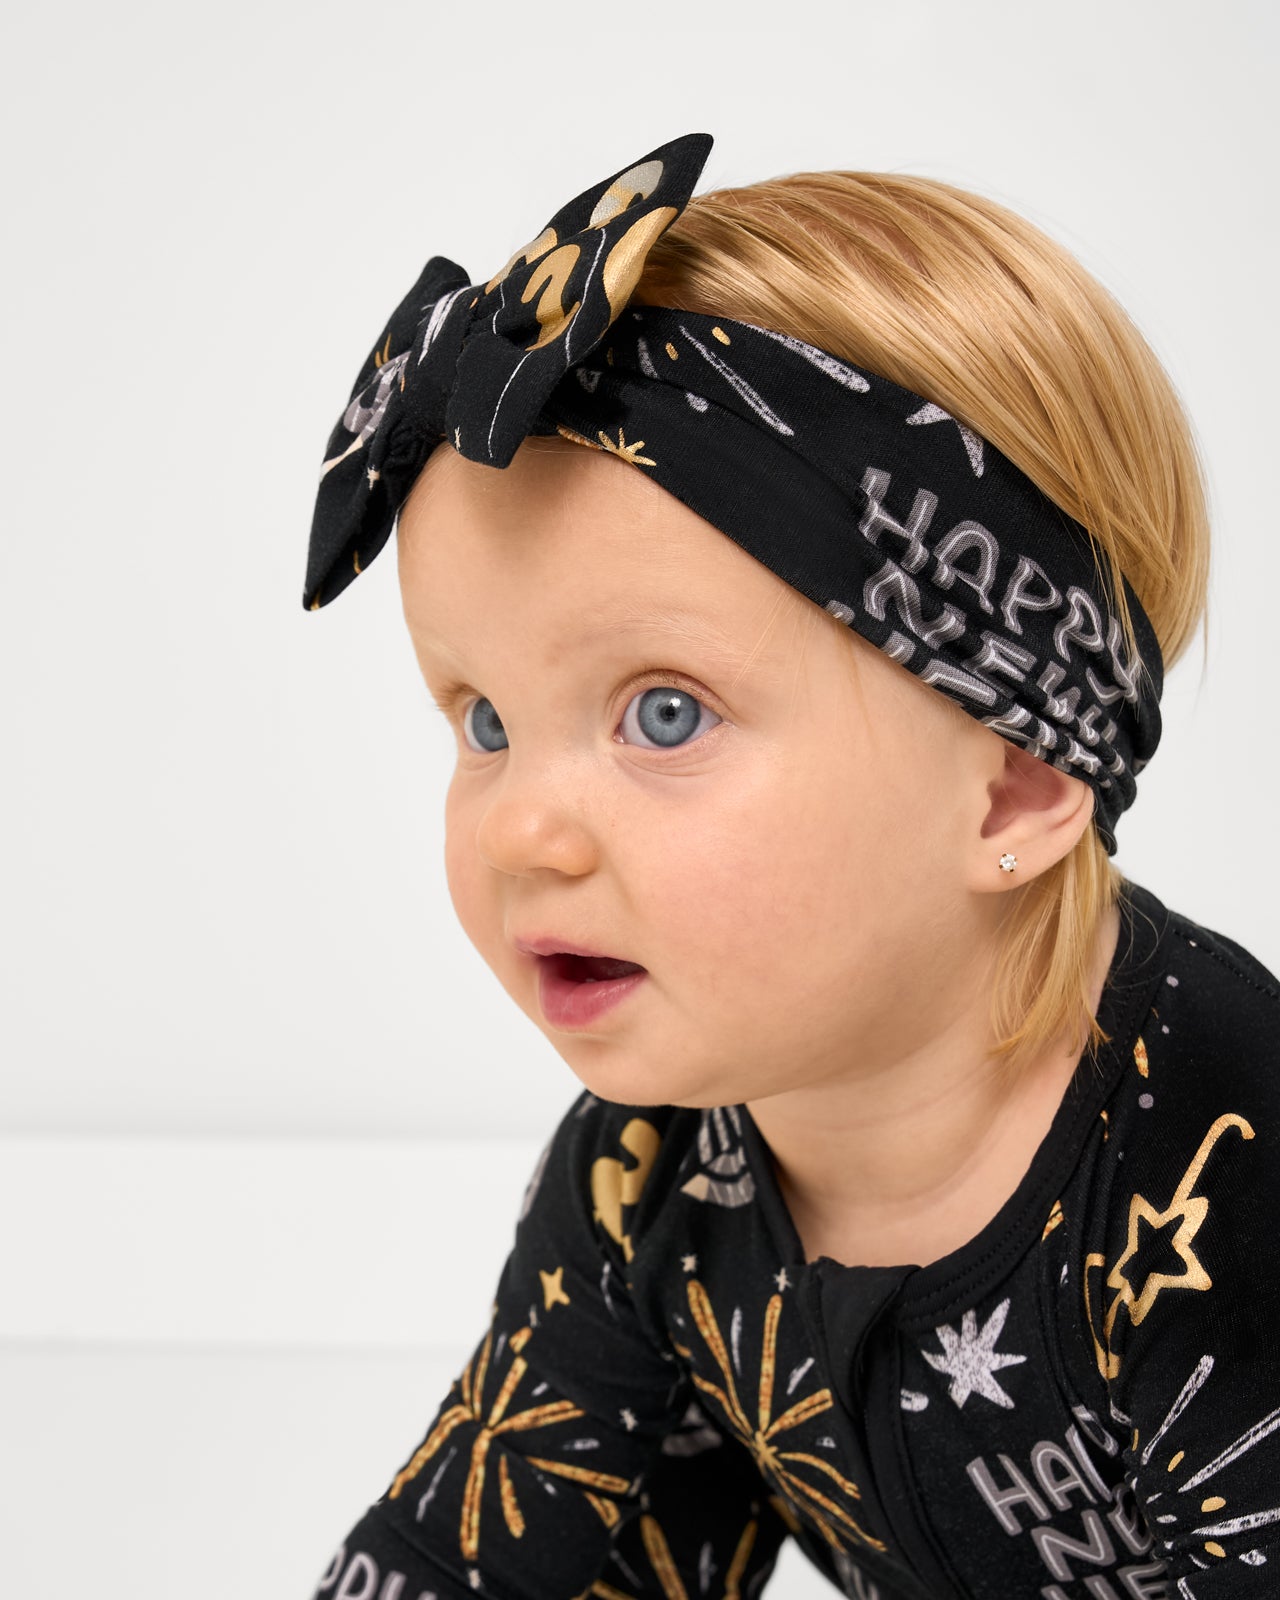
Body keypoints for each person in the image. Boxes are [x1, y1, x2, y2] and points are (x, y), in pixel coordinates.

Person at [301, 133, 1279, 1600]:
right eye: (486, 720)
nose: (518, 830)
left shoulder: (1214, 1162)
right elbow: (485, 1547)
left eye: (666, 714)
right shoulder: (650, 1178)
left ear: (1014, 784)